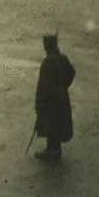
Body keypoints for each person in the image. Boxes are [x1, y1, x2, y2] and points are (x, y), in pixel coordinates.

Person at [34, 34, 76, 162]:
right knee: (57, 125)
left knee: (51, 125)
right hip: (61, 99)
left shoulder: (47, 62)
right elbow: (71, 72)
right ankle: (55, 150)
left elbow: (42, 86)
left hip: (50, 101)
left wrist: (39, 103)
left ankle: (52, 152)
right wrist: (64, 86)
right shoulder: (62, 58)